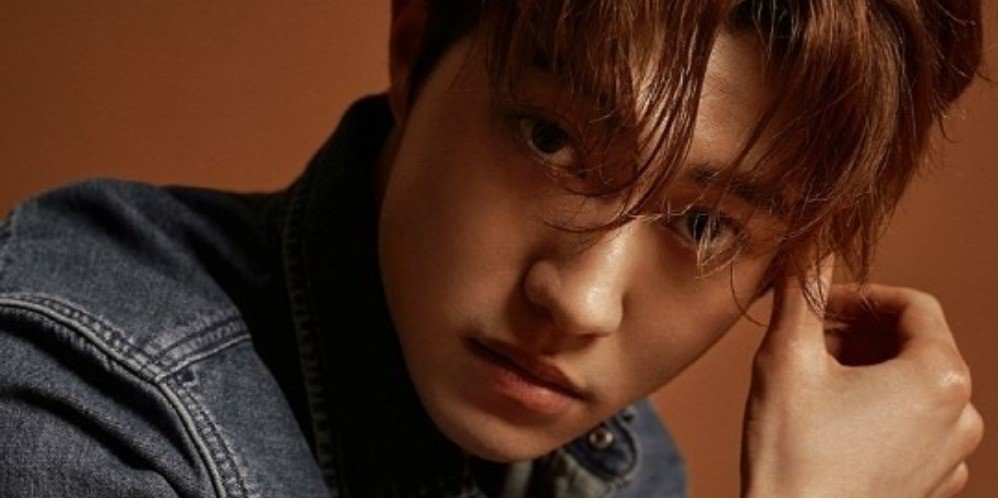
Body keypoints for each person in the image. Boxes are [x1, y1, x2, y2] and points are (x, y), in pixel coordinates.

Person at [0, 0, 985, 496]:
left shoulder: (620, 466)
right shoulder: (82, 401)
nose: (582, 302)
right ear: (414, 42)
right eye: (553, 141)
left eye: (704, 224)